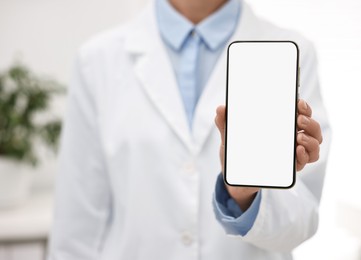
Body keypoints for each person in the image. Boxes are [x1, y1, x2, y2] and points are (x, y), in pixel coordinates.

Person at [48, 0, 330, 259]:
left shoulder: (293, 51)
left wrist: (243, 195)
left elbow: (301, 221)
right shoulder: (97, 61)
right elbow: (75, 231)